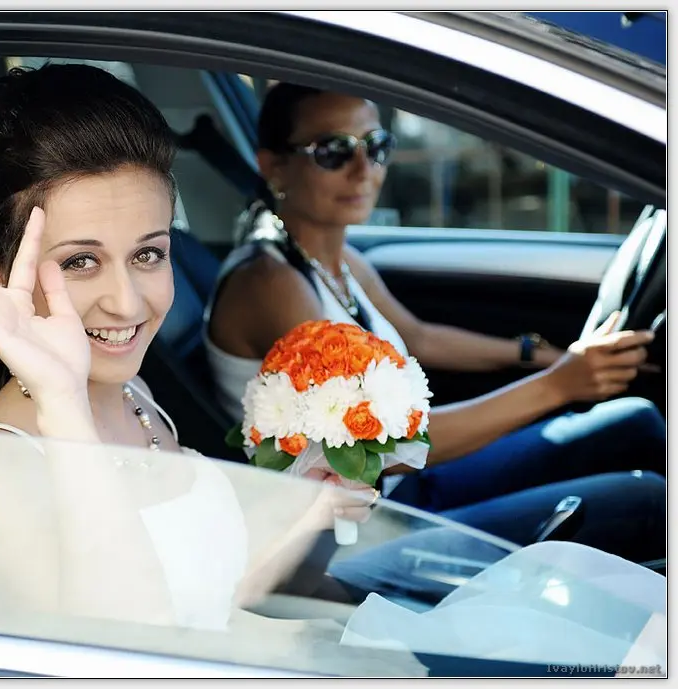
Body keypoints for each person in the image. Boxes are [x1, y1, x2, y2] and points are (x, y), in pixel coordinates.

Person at [0, 64, 664, 639]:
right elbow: (137, 648)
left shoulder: (132, 395)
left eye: (148, 254)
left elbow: (209, 591)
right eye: (81, 261)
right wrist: (60, 402)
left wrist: (310, 506)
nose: (128, 302)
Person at [205, 82, 666, 530]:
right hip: (365, 530)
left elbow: (420, 337)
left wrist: (546, 356)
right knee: (648, 498)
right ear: (274, 166)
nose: (365, 169)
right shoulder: (271, 284)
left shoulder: (336, 259)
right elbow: (380, 448)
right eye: (334, 151)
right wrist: (558, 385)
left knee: (636, 422)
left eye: (376, 145)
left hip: (408, 487)